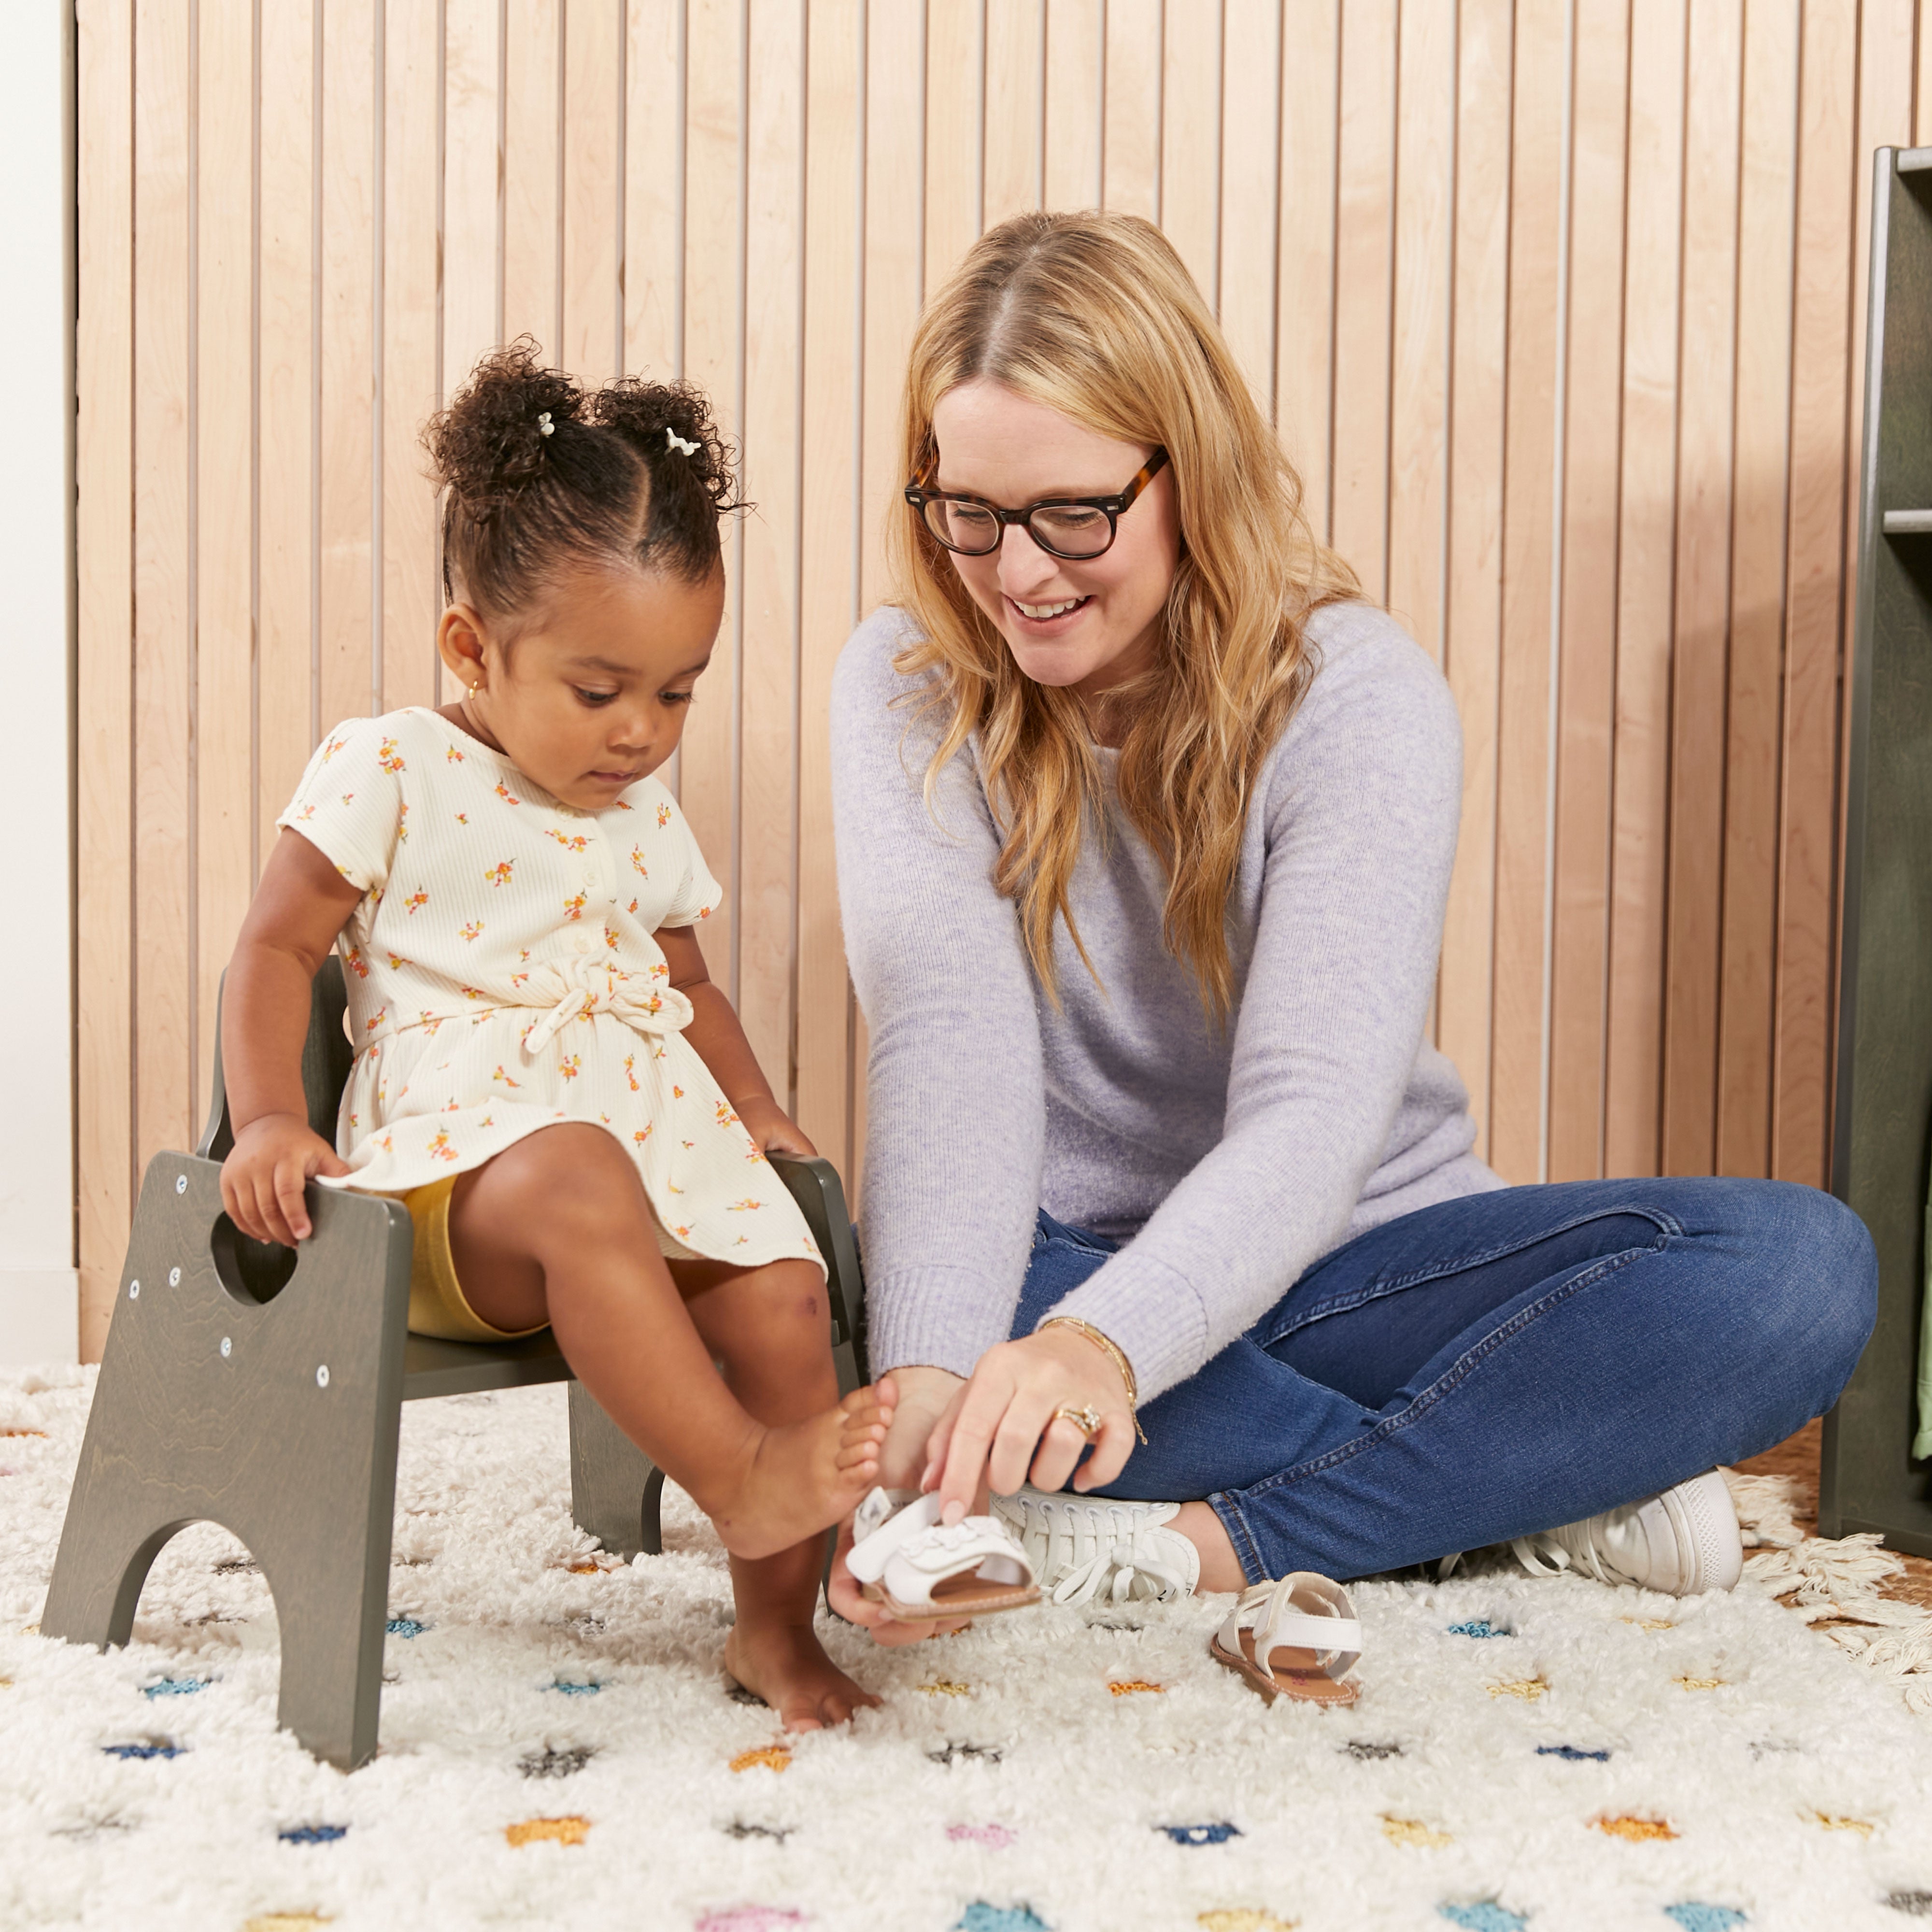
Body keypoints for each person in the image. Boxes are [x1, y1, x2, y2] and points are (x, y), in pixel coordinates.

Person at [825, 212, 1877, 1643]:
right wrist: (941, 1394)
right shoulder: (906, 680)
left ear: (1185, 476)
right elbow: (947, 1045)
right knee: (905, 1289)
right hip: (1057, 1250)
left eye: (1075, 515)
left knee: (1803, 1272)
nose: (1017, 573)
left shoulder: (1356, 695)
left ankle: (1205, 1539)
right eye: (969, 515)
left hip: (1351, 1262)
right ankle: (1522, 1485)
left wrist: (1107, 1349)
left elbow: (1314, 1121)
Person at [219, 343, 892, 1730]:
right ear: (475, 646)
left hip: (635, 1163)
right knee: (583, 1168)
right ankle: (743, 1477)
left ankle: (773, 1629)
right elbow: (276, 946)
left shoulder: (639, 811)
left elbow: (688, 986)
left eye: (678, 691)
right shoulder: (392, 764)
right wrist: (270, 1117)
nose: (642, 733)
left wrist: (755, 1109)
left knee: (777, 1280)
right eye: (599, 693)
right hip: (448, 1197)